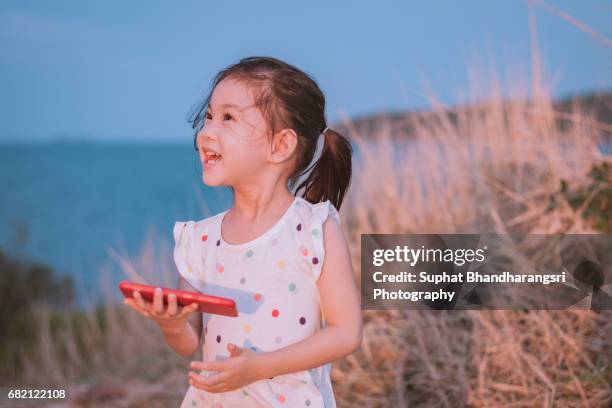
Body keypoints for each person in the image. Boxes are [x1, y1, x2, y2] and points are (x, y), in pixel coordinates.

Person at [123, 56, 362, 407]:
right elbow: (191, 342)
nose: (207, 132)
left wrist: (260, 367)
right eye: (209, 116)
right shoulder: (199, 240)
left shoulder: (313, 229)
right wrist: (172, 325)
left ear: (279, 146)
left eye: (228, 118)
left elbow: (346, 333)